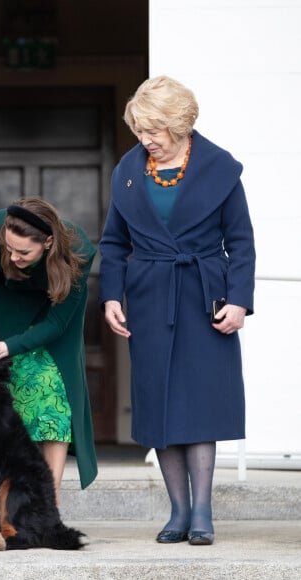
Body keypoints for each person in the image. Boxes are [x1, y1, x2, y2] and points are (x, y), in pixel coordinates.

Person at [99, 75, 255, 546]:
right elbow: (112, 242)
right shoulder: (128, 169)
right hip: (149, 299)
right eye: (140, 130)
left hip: (204, 299)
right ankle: (178, 512)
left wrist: (240, 301)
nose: (147, 140)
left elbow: (242, 243)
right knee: (159, 403)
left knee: (200, 404)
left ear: (181, 125)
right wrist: (111, 295)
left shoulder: (220, 169)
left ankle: (203, 512)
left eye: (155, 130)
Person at [0, 197, 98, 503]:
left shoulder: (78, 250)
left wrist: (8, 347)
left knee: (53, 402)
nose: (13, 256)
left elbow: (57, 323)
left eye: (23, 252)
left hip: (55, 321)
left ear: (48, 242)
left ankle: (50, 501)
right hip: (7, 310)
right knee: (5, 406)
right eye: (9, 249)